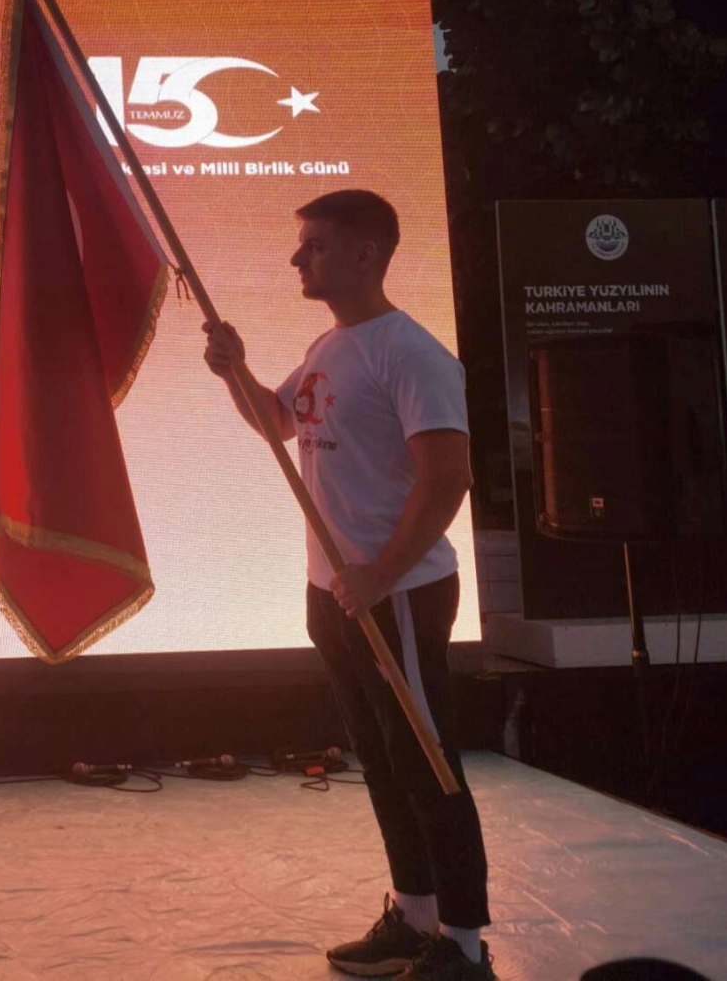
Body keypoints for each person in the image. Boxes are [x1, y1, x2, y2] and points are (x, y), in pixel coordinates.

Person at [202, 190, 494, 980]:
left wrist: (381, 574)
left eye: (316, 246)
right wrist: (234, 370)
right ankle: (414, 917)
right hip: (336, 593)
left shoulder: (412, 354)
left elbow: (448, 478)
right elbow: (277, 421)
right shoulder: (331, 346)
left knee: (428, 762)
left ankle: (465, 947)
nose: (298, 258)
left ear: (365, 254)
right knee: (383, 758)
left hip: (397, 595)